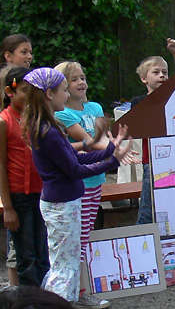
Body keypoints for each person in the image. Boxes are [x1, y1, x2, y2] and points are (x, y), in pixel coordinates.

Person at [22, 67, 132, 307]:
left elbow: (75, 160)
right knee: (66, 265)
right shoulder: (48, 131)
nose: (65, 96)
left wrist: (111, 150)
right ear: (49, 94)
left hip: (61, 202)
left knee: (64, 262)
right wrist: (111, 161)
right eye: (63, 91)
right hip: (62, 205)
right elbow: (75, 170)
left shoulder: (47, 128)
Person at [53, 61, 114, 302]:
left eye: (83, 77)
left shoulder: (95, 106)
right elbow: (90, 140)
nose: (82, 82)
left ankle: (78, 292)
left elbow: (103, 137)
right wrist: (116, 149)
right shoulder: (62, 114)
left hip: (96, 179)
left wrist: (112, 145)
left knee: (85, 236)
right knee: (74, 241)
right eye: (75, 79)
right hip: (80, 184)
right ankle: (73, 294)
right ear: (63, 87)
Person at [0, 66, 48, 287]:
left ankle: (45, 298)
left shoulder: (36, 118)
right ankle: (31, 300)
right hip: (20, 196)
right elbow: (1, 165)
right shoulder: (4, 121)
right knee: (26, 257)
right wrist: (8, 207)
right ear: (11, 92)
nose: (29, 96)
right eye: (25, 91)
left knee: (43, 253)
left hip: (43, 192)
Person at [133, 56, 169, 225]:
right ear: (144, 79)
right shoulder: (139, 102)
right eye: (156, 72)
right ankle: (142, 235)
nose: (162, 75)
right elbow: (138, 127)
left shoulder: (173, 99)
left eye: (165, 72)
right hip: (152, 162)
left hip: (174, 160)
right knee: (148, 203)